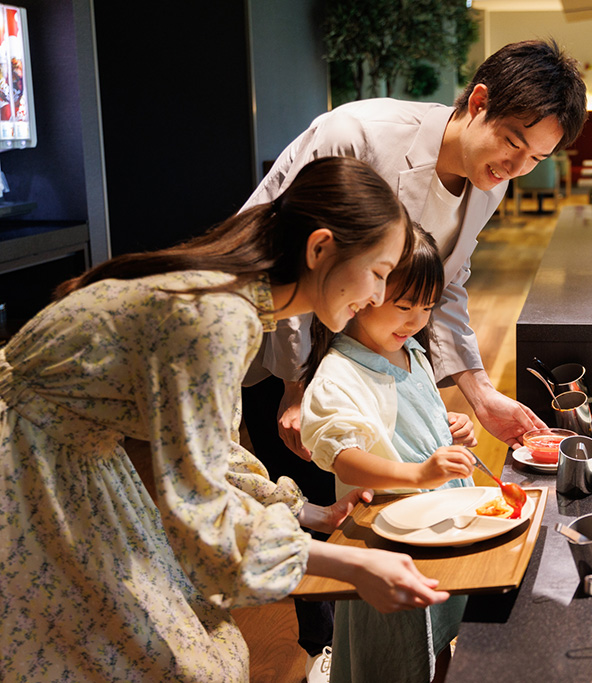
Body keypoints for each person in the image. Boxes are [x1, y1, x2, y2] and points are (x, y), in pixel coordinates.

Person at [0, 156, 449, 682]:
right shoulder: (218, 319)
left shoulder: (232, 300)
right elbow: (200, 514)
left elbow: (204, 453)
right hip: (28, 474)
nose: (377, 295)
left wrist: (313, 516)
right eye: (377, 274)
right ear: (320, 248)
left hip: (72, 464)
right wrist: (352, 565)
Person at [241, 39, 588, 674]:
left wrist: (481, 396)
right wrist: (294, 386)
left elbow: (447, 285)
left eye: (535, 157)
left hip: (376, 346)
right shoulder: (357, 134)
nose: (517, 166)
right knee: (321, 502)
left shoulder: (488, 185)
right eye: (513, 142)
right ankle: (323, 655)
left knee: (364, 508)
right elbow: (284, 258)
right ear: (478, 101)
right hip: (281, 342)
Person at [301, 224, 477, 682]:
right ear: (365, 293)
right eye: (403, 306)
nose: (416, 320)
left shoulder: (412, 350)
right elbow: (343, 457)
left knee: (441, 638)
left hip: (438, 526)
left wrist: (451, 429)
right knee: (393, 655)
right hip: (386, 539)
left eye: (427, 307)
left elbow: (422, 418)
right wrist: (418, 474)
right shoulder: (338, 373)